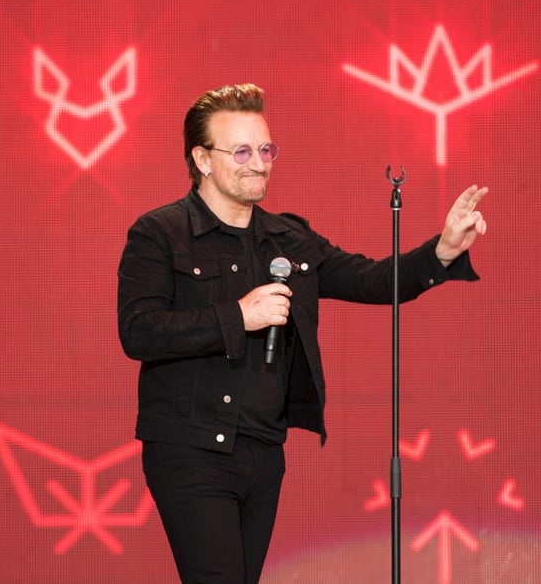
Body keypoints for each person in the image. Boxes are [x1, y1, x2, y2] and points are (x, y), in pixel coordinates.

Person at [116, 83, 487, 584]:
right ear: (202, 159)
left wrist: (441, 252)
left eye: (266, 150)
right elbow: (139, 331)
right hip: (190, 450)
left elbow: (368, 279)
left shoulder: (288, 239)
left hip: (264, 452)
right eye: (242, 151)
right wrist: (238, 316)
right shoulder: (159, 233)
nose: (259, 163)